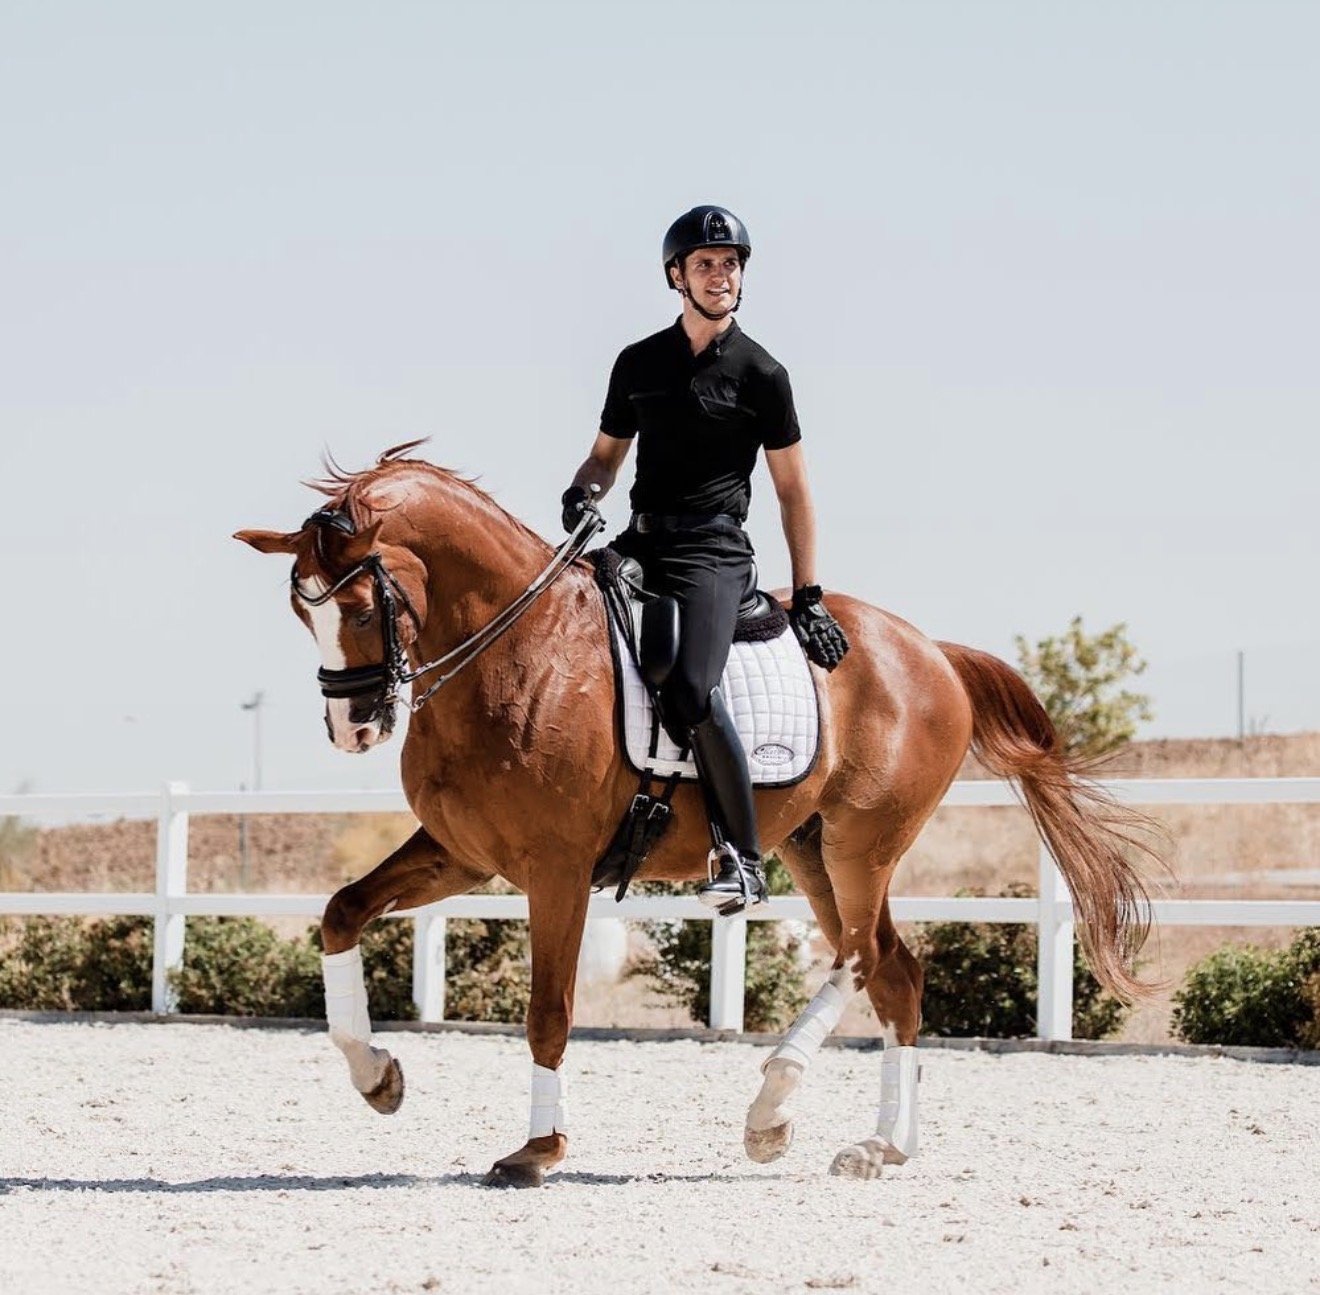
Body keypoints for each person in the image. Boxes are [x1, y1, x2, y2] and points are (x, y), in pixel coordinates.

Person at [562, 204, 849, 913]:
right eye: (705, 264)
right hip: (639, 541)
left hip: (714, 552)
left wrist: (808, 592)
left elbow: (793, 491)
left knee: (691, 687)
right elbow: (604, 460)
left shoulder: (762, 373)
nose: (720, 275)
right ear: (676, 276)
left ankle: (742, 857)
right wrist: (579, 493)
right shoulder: (638, 363)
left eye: (730, 264)